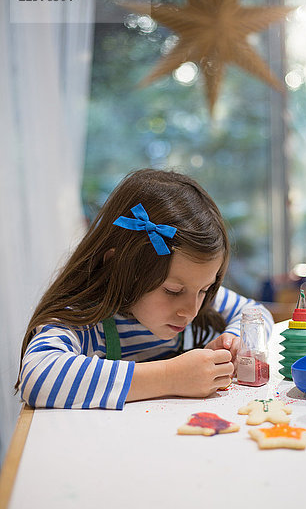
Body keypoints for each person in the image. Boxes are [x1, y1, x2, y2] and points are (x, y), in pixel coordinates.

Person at [17, 169, 274, 409]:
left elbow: (256, 312)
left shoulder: (197, 299)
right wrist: (171, 377)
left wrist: (237, 342)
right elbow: (38, 375)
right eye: (172, 291)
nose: (191, 311)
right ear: (118, 268)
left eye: (205, 290)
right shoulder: (84, 319)